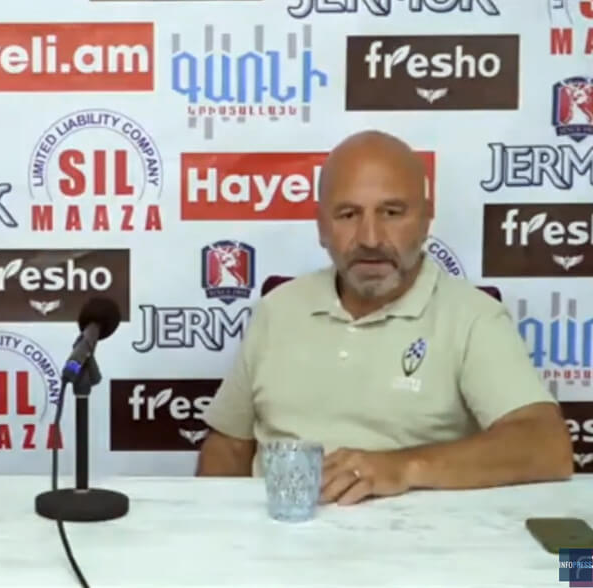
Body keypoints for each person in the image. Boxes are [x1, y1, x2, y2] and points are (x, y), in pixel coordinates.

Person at [196, 130, 574, 505]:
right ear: (321, 227)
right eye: (348, 214)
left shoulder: (473, 317)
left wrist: (404, 468)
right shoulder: (277, 309)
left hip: (418, 539)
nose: (370, 238)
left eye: (392, 213)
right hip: (282, 531)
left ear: (426, 220)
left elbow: (545, 446)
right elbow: (228, 445)